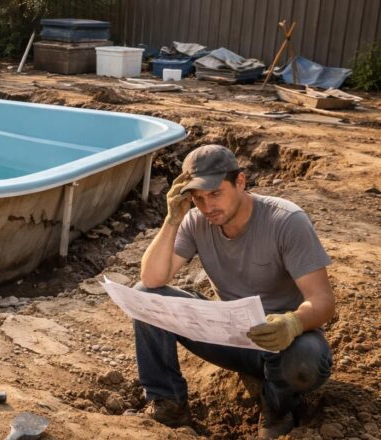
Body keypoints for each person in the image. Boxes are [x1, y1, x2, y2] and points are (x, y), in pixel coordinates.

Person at [135, 144, 335, 439]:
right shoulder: (195, 221)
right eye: (198, 198)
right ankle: (168, 404)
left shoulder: (286, 221)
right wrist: (172, 220)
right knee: (145, 296)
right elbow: (152, 279)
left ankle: (277, 408)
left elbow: (323, 301)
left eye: (215, 193)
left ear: (240, 182)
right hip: (229, 336)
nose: (207, 207)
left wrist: (292, 324)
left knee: (306, 358)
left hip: (281, 341)